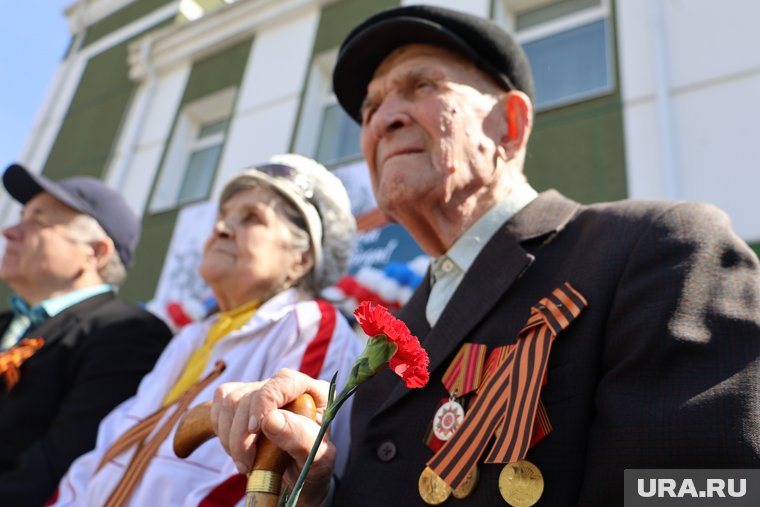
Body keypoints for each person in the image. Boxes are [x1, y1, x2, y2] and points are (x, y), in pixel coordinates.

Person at [210, 5, 760, 507]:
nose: (383, 119)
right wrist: (316, 492)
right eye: (372, 107)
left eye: (419, 85)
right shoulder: (393, 336)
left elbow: (711, 490)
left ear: (509, 125)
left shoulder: (656, 248)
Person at [50, 153, 361, 507]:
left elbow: (275, 480)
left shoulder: (308, 324)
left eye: (252, 218)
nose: (221, 228)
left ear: (301, 259)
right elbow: (107, 448)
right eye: (223, 216)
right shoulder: (191, 337)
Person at [0, 164, 172, 506]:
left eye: (37, 220)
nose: (10, 232)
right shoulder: (7, 323)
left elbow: (59, 471)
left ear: (95, 252)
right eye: (20, 217)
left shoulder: (128, 332)